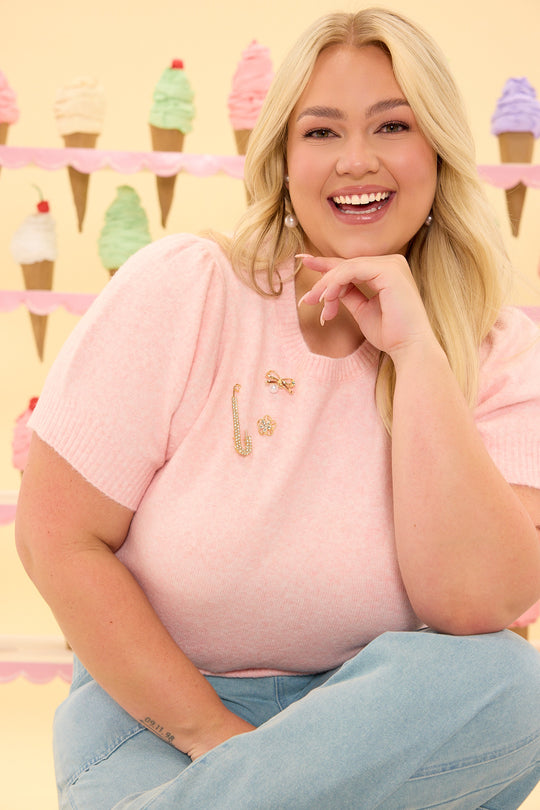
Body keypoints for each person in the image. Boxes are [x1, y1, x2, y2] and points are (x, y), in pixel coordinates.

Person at [15, 8, 540, 810]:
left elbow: (476, 607)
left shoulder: (500, 351)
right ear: (284, 162)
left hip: (375, 731)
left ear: (436, 150)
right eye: (321, 132)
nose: (356, 160)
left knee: (513, 685)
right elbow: (57, 538)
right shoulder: (188, 288)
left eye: (392, 125)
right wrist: (221, 742)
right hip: (154, 717)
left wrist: (418, 354)